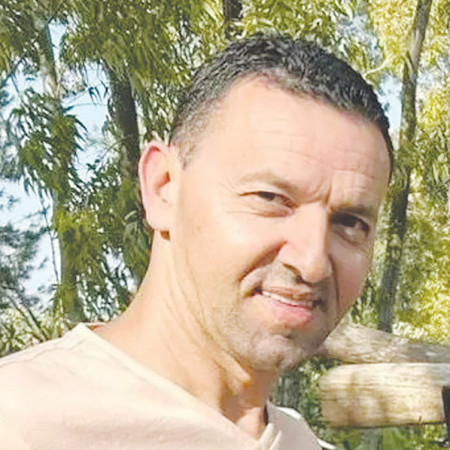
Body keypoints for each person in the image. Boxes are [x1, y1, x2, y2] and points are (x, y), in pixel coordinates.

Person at [0, 35, 392, 449]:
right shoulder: (24, 424)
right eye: (270, 198)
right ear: (163, 187)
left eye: (350, 223)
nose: (312, 262)